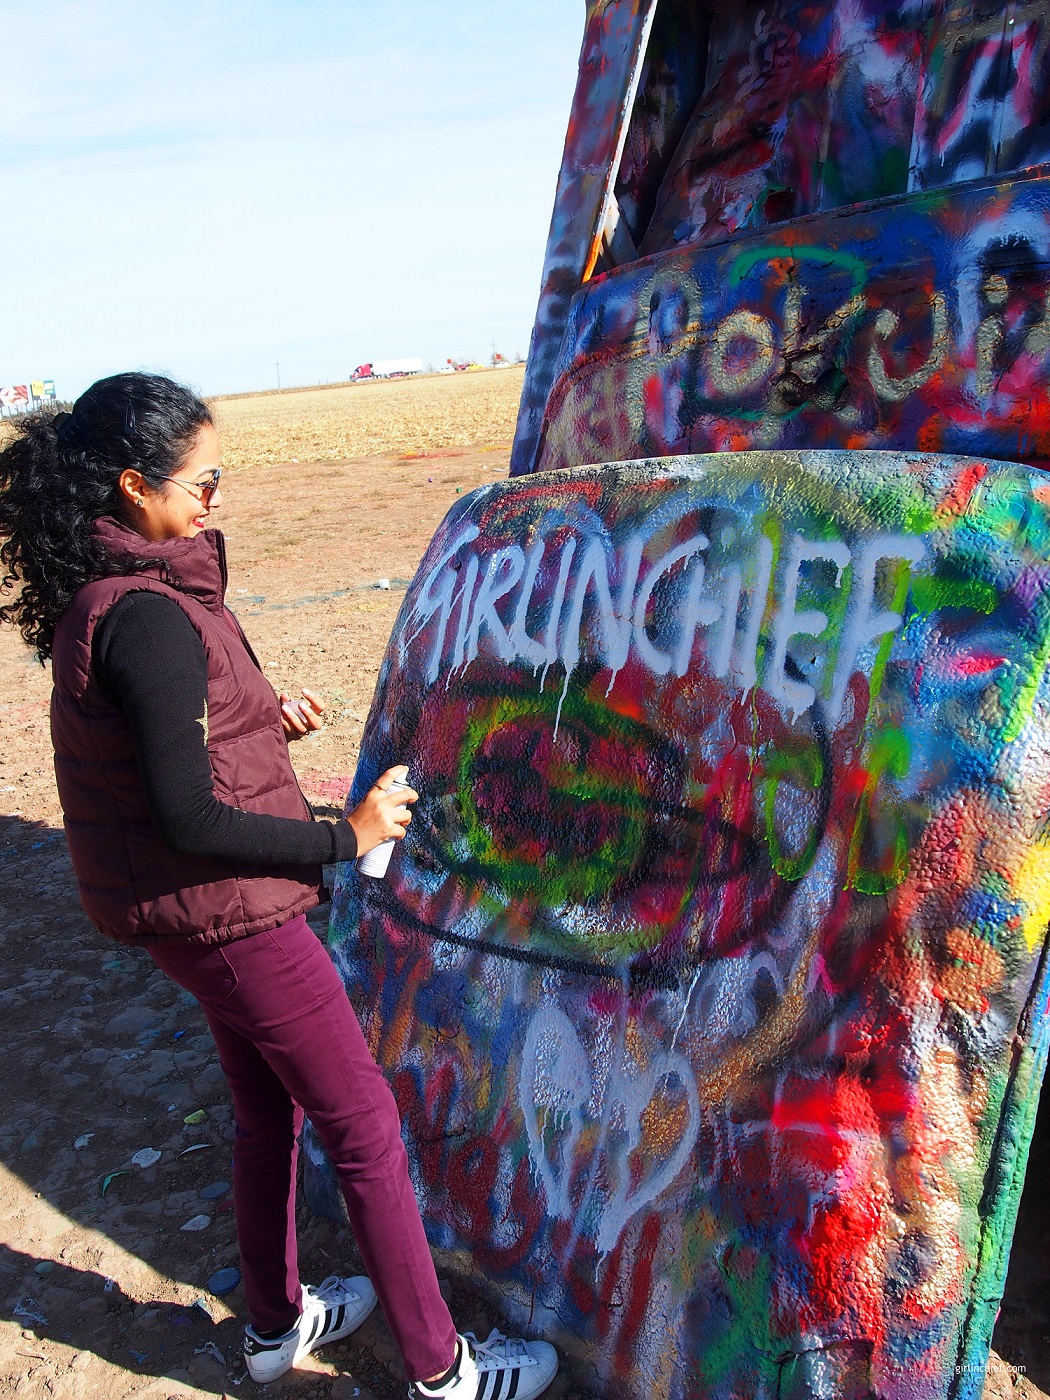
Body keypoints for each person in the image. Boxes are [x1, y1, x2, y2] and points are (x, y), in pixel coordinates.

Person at [0, 372, 558, 1399]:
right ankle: (444, 1371)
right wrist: (339, 836)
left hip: (191, 913)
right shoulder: (148, 617)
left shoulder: (125, 597)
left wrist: (267, 722)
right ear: (134, 485)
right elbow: (189, 816)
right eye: (203, 479)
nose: (217, 495)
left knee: (270, 1114)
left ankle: (272, 1324)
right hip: (232, 914)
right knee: (363, 1125)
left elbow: (174, 750)